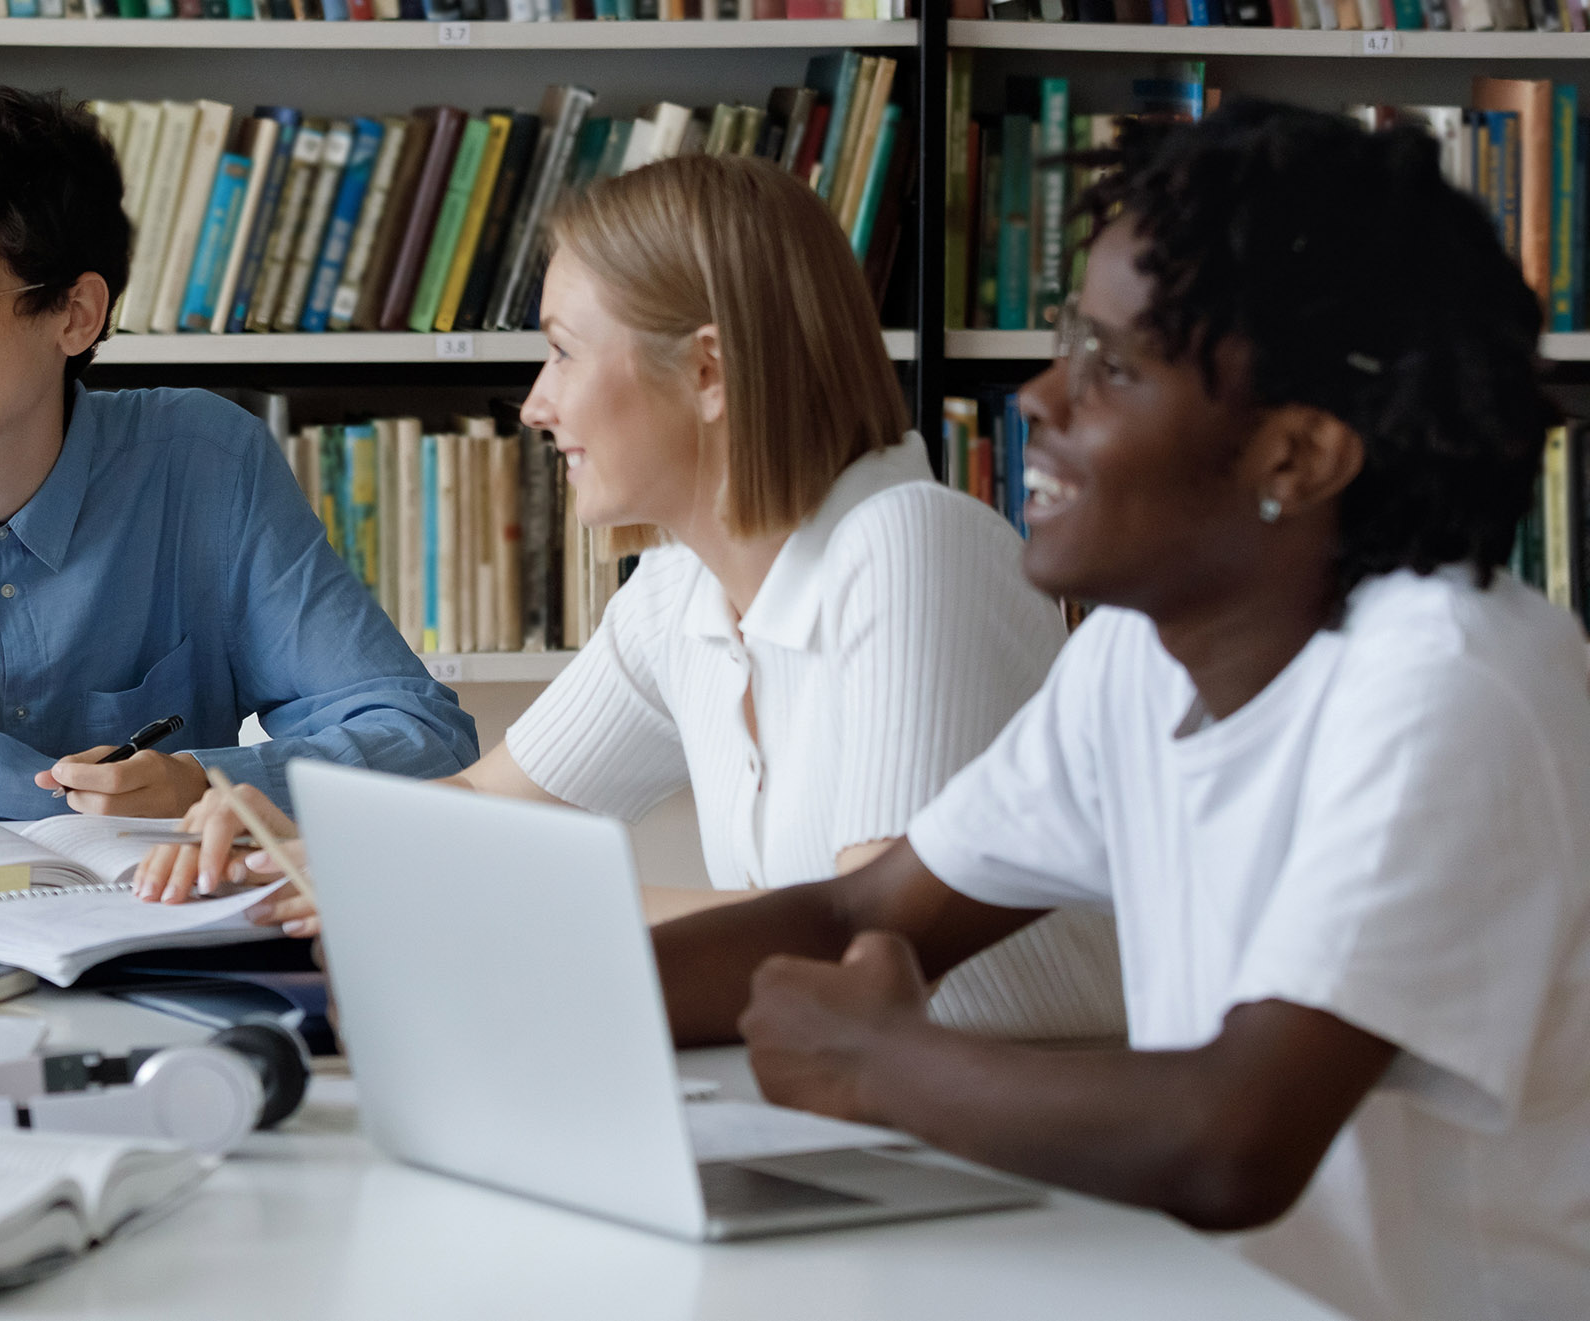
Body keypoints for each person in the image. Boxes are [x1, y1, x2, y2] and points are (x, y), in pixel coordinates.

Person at [644, 104, 1586, 1321]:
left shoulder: (1450, 684)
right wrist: (511, 988)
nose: (1041, 398)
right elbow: (868, 912)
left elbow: (1234, 1137)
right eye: (1064, 344)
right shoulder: (1138, 657)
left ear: (1294, 458)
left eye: (1113, 366)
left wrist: (882, 1061)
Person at [140, 153, 1122, 1040]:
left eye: (563, 351)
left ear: (706, 370)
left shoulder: (911, 544)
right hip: (861, 1114)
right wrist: (295, 840)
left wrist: (436, 887)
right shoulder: (681, 588)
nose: (533, 403)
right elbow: (488, 803)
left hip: (1036, 1146)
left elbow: (859, 939)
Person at [0, 84, 481, 836]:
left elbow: (423, 739)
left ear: (75, 315)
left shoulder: (205, 460)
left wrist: (201, 781)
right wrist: (99, 797)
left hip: (156, 927)